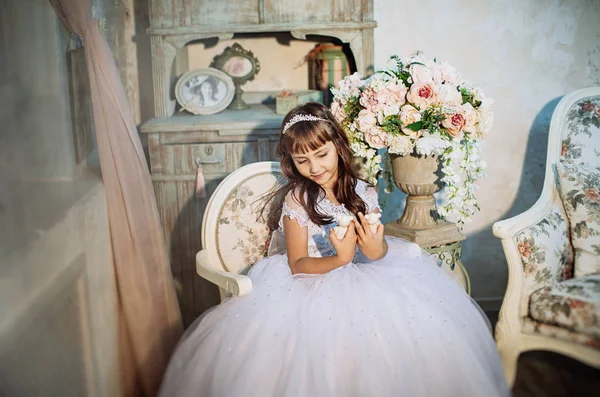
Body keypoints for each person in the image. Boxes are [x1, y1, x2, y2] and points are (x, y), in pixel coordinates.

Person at [158, 102, 510, 397]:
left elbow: (375, 252)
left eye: (321, 154)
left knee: (396, 336)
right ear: (291, 162)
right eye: (302, 160)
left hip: (366, 279)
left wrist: (376, 249)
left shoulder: (364, 192)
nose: (314, 167)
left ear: (338, 146)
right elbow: (296, 263)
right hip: (307, 284)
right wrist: (339, 258)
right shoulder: (298, 198)